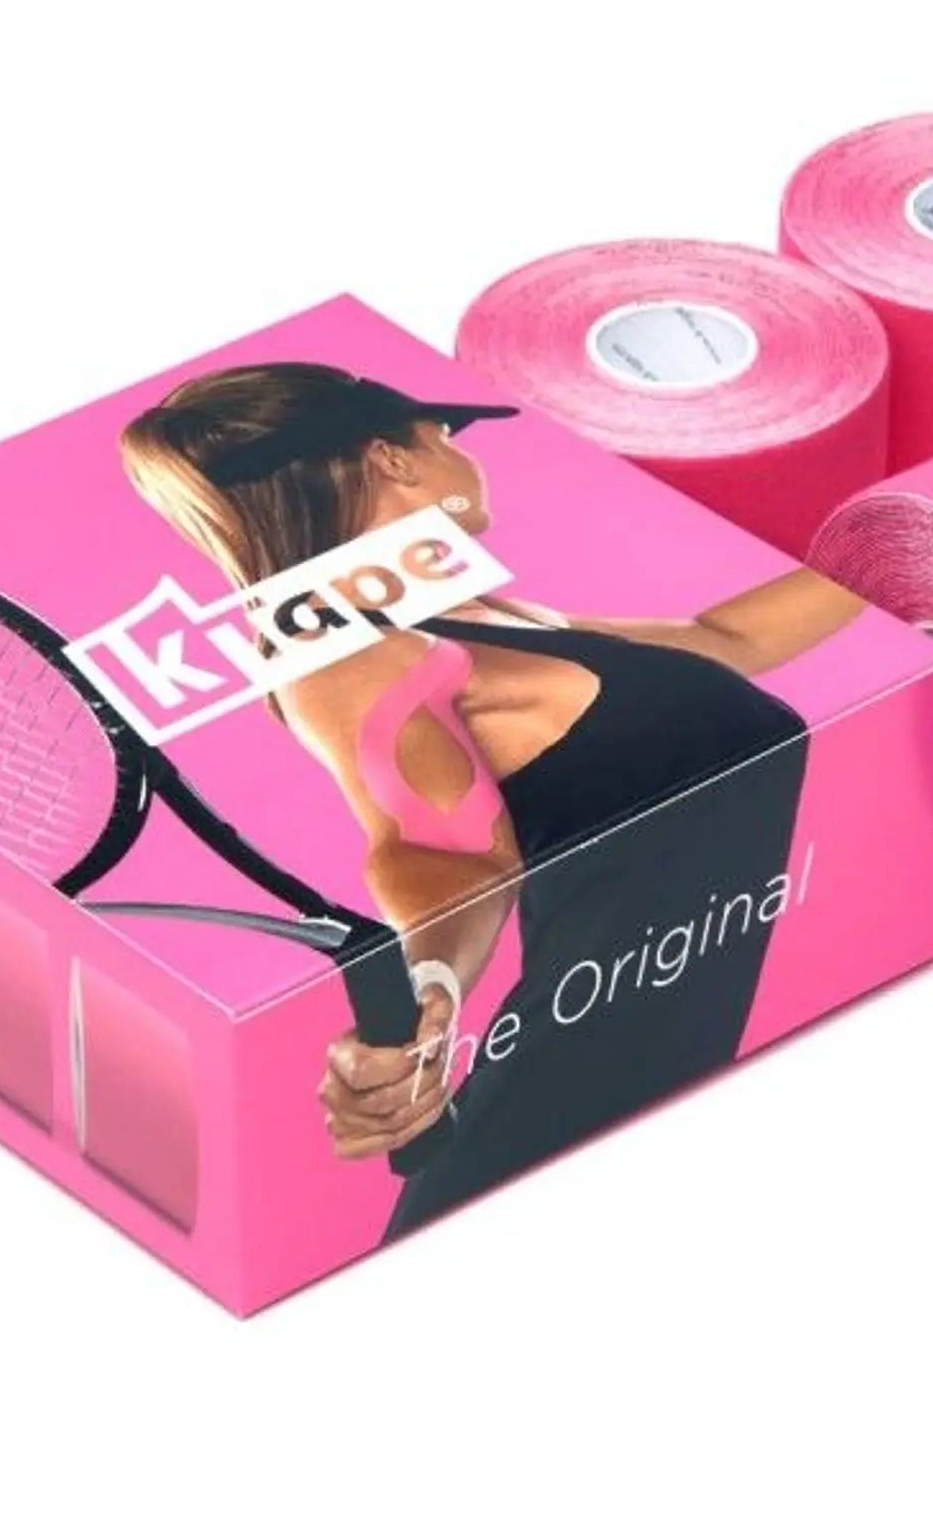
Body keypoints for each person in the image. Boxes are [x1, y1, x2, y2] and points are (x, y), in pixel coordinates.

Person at [121, 361, 865, 1234]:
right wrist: (432, 986)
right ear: (394, 457)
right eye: (444, 435)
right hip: (554, 1118)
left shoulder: (502, 624)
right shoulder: (343, 652)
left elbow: (725, 638)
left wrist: (907, 542)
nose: (464, 456)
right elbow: (438, 845)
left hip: (661, 1096)